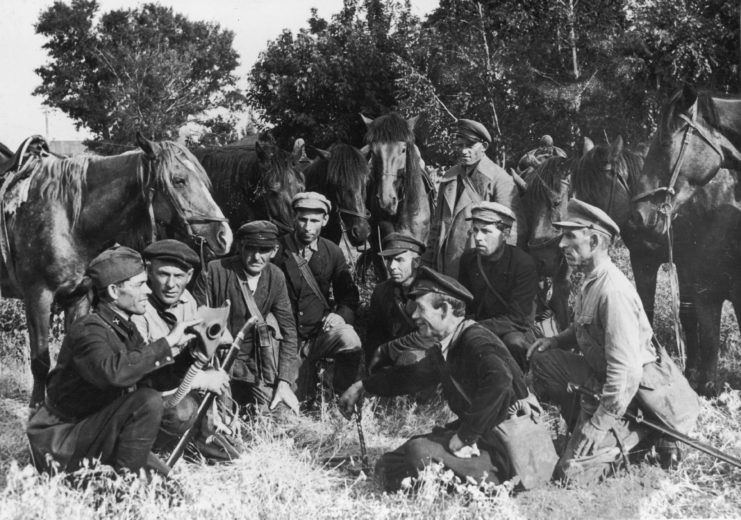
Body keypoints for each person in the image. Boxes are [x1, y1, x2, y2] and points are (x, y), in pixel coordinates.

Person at [527, 199, 699, 484]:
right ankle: (592, 422)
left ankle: (647, 434)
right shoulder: (592, 278)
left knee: (570, 476)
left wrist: (597, 425)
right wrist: (557, 341)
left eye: (571, 236)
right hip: (603, 378)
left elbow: (627, 374)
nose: (561, 245)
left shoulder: (613, 291)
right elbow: (584, 325)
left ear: (594, 240)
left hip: (636, 394)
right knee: (544, 361)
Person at [339, 266, 531, 492]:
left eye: (421, 308)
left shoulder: (476, 339)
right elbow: (409, 377)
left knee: (418, 452)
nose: (414, 316)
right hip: (485, 438)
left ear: (445, 309)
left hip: (507, 447)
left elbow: (500, 380)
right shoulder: (450, 345)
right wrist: (362, 385)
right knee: (388, 464)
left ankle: (499, 484)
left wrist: (466, 436)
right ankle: (451, 479)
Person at [26, 245, 197, 475]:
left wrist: (191, 355)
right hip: (60, 440)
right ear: (115, 291)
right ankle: (124, 488)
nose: (148, 291)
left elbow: (151, 380)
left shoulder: (125, 329)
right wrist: (166, 343)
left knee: (172, 491)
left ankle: (123, 482)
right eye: (139, 285)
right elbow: (113, 373)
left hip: (92, 429)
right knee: (147, 401)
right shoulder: (88, 329)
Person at [192, 221, 300, 413]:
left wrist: (284, 381)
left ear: (274, 251)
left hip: (256, 364)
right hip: (217, 362)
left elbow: (288, 330)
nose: (257, 257)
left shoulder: (275, 276)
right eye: (251, 248)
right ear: (240, 246)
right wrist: (214, 328)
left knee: (282, 416)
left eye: (264, 250)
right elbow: (195, 318)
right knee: (222, 426)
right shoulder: (213, 271)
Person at [131, 239, 231, 446]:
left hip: (178, 380)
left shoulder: (187, 300)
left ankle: (205, 435)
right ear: (149, 272)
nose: (171, 285)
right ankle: (159, 445)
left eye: (178, 276)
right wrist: (198, 380)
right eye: (163, 274)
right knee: (182, 413)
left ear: (189, 276)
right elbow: (140, 374)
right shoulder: (138, 308)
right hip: (150, 391)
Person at [273, 192, 362, 398]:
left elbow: (348, 295)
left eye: (314, 220)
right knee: (296, 401)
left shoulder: (332, 251)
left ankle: (342, 395)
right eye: (303, 219)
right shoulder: (277, 250)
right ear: (294, 218)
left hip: (318, 334)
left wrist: (340, 315)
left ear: (325, 220)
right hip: (286, 339)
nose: (307, 227)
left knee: (349, 338)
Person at [422, 118, 526, 277]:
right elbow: (437, 226)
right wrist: (428, 263)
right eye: (460, 145)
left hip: (479, 272)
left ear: (484, 146)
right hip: (443, 268)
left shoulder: (500, 179)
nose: (464, 151)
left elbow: (511, 234)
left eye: (470, 146)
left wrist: (499, 276)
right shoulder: (449, 177)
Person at [458, 202, 538, 370]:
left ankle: (524, 384)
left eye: (486, 231)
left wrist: (475, 327)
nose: (478, 237)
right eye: (475, 230)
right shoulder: (469, 259)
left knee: (514, 343)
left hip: (514, 328)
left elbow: (519, 319)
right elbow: (464, 301)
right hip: (480, 324)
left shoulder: (523, 264)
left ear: (506, 234)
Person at [365, 232, 433, 373]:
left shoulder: (430, 292)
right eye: (389, 260)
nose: (391, 266)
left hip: (423, 358)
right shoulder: (381, 291)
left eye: (399, 259)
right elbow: (374, 335)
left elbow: (428, 337)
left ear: (416, 262)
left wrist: (387, 350)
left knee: (408, 360)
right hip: (391, 358)